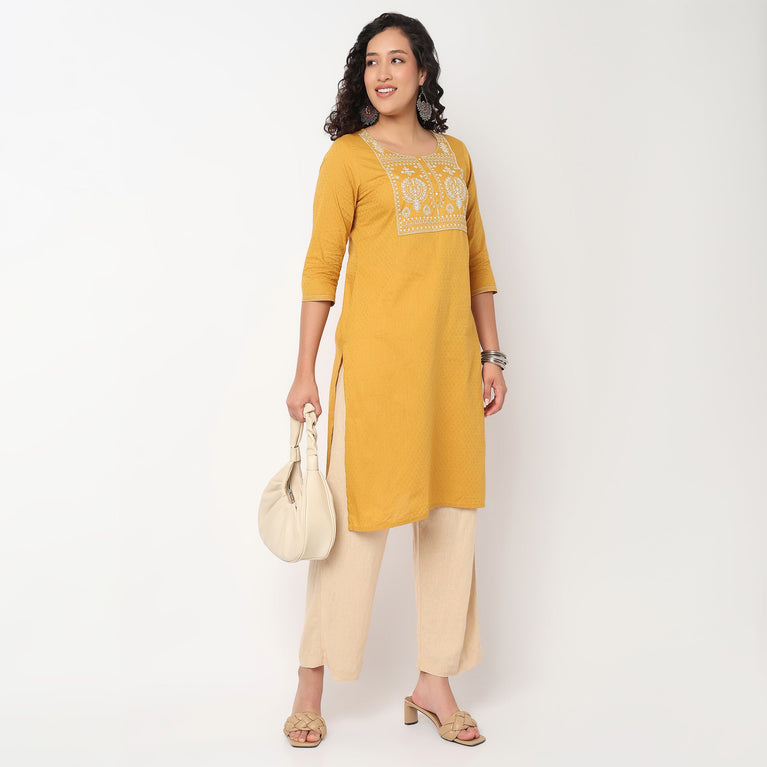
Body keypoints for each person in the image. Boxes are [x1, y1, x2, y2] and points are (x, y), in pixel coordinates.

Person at [282, 11, 507, 748]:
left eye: (397, 59)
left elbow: (477, 264)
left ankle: (434, 680)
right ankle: (310, 681)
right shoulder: (347, 158)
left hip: (450, 372)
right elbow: (321, 269)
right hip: (377, 374)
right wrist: (304, 372)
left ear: (422, 71)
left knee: (451, 523)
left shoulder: (456, 157)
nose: (382, 73)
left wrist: (492, 356)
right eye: (371, 61)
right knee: (355, 527)